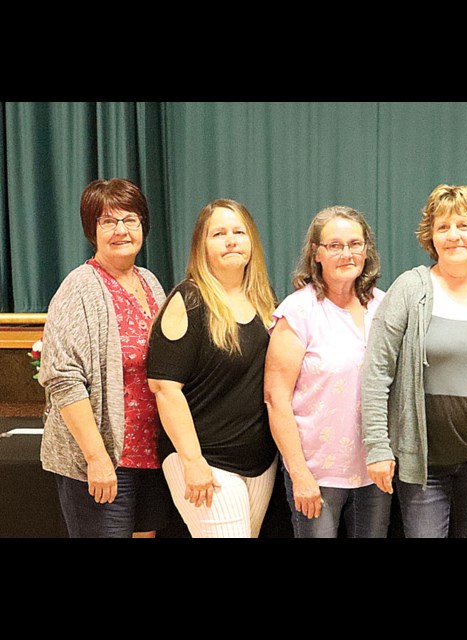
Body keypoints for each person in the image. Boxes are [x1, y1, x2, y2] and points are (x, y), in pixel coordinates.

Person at [362, 184, 467, 538]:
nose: (454, 235)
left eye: (464, 225)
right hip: (424, 460)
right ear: (431, 237)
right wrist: (378, 446)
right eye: (443, 227)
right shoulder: (411, 289)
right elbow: (377, 372)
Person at [38, 178, 169, 538]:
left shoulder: (150, 283)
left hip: (151, 457)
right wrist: (97, 459)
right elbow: (63, 379)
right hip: (102, 462)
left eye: (130, 219)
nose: (121, 230)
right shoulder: (78, 288)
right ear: (91, 230)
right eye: (107, 222)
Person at [147, 198, 278, 538]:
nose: (231, 240)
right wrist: (192, 461)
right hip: (206, 461)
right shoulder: (188, 300)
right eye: (219, 233)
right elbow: (164, 387)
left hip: (259, 463)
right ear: (201, 247)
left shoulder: (265, 301)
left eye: (239, 232)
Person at [264, 205, 392, 537]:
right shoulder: (298, 312)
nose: (346, 253)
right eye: (334, 245)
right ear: (316, 253)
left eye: (355, 243)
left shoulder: (384, 306)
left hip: (374, 471)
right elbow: (276, 399)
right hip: (316, 473)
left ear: (366, 250)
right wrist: (300, 475)